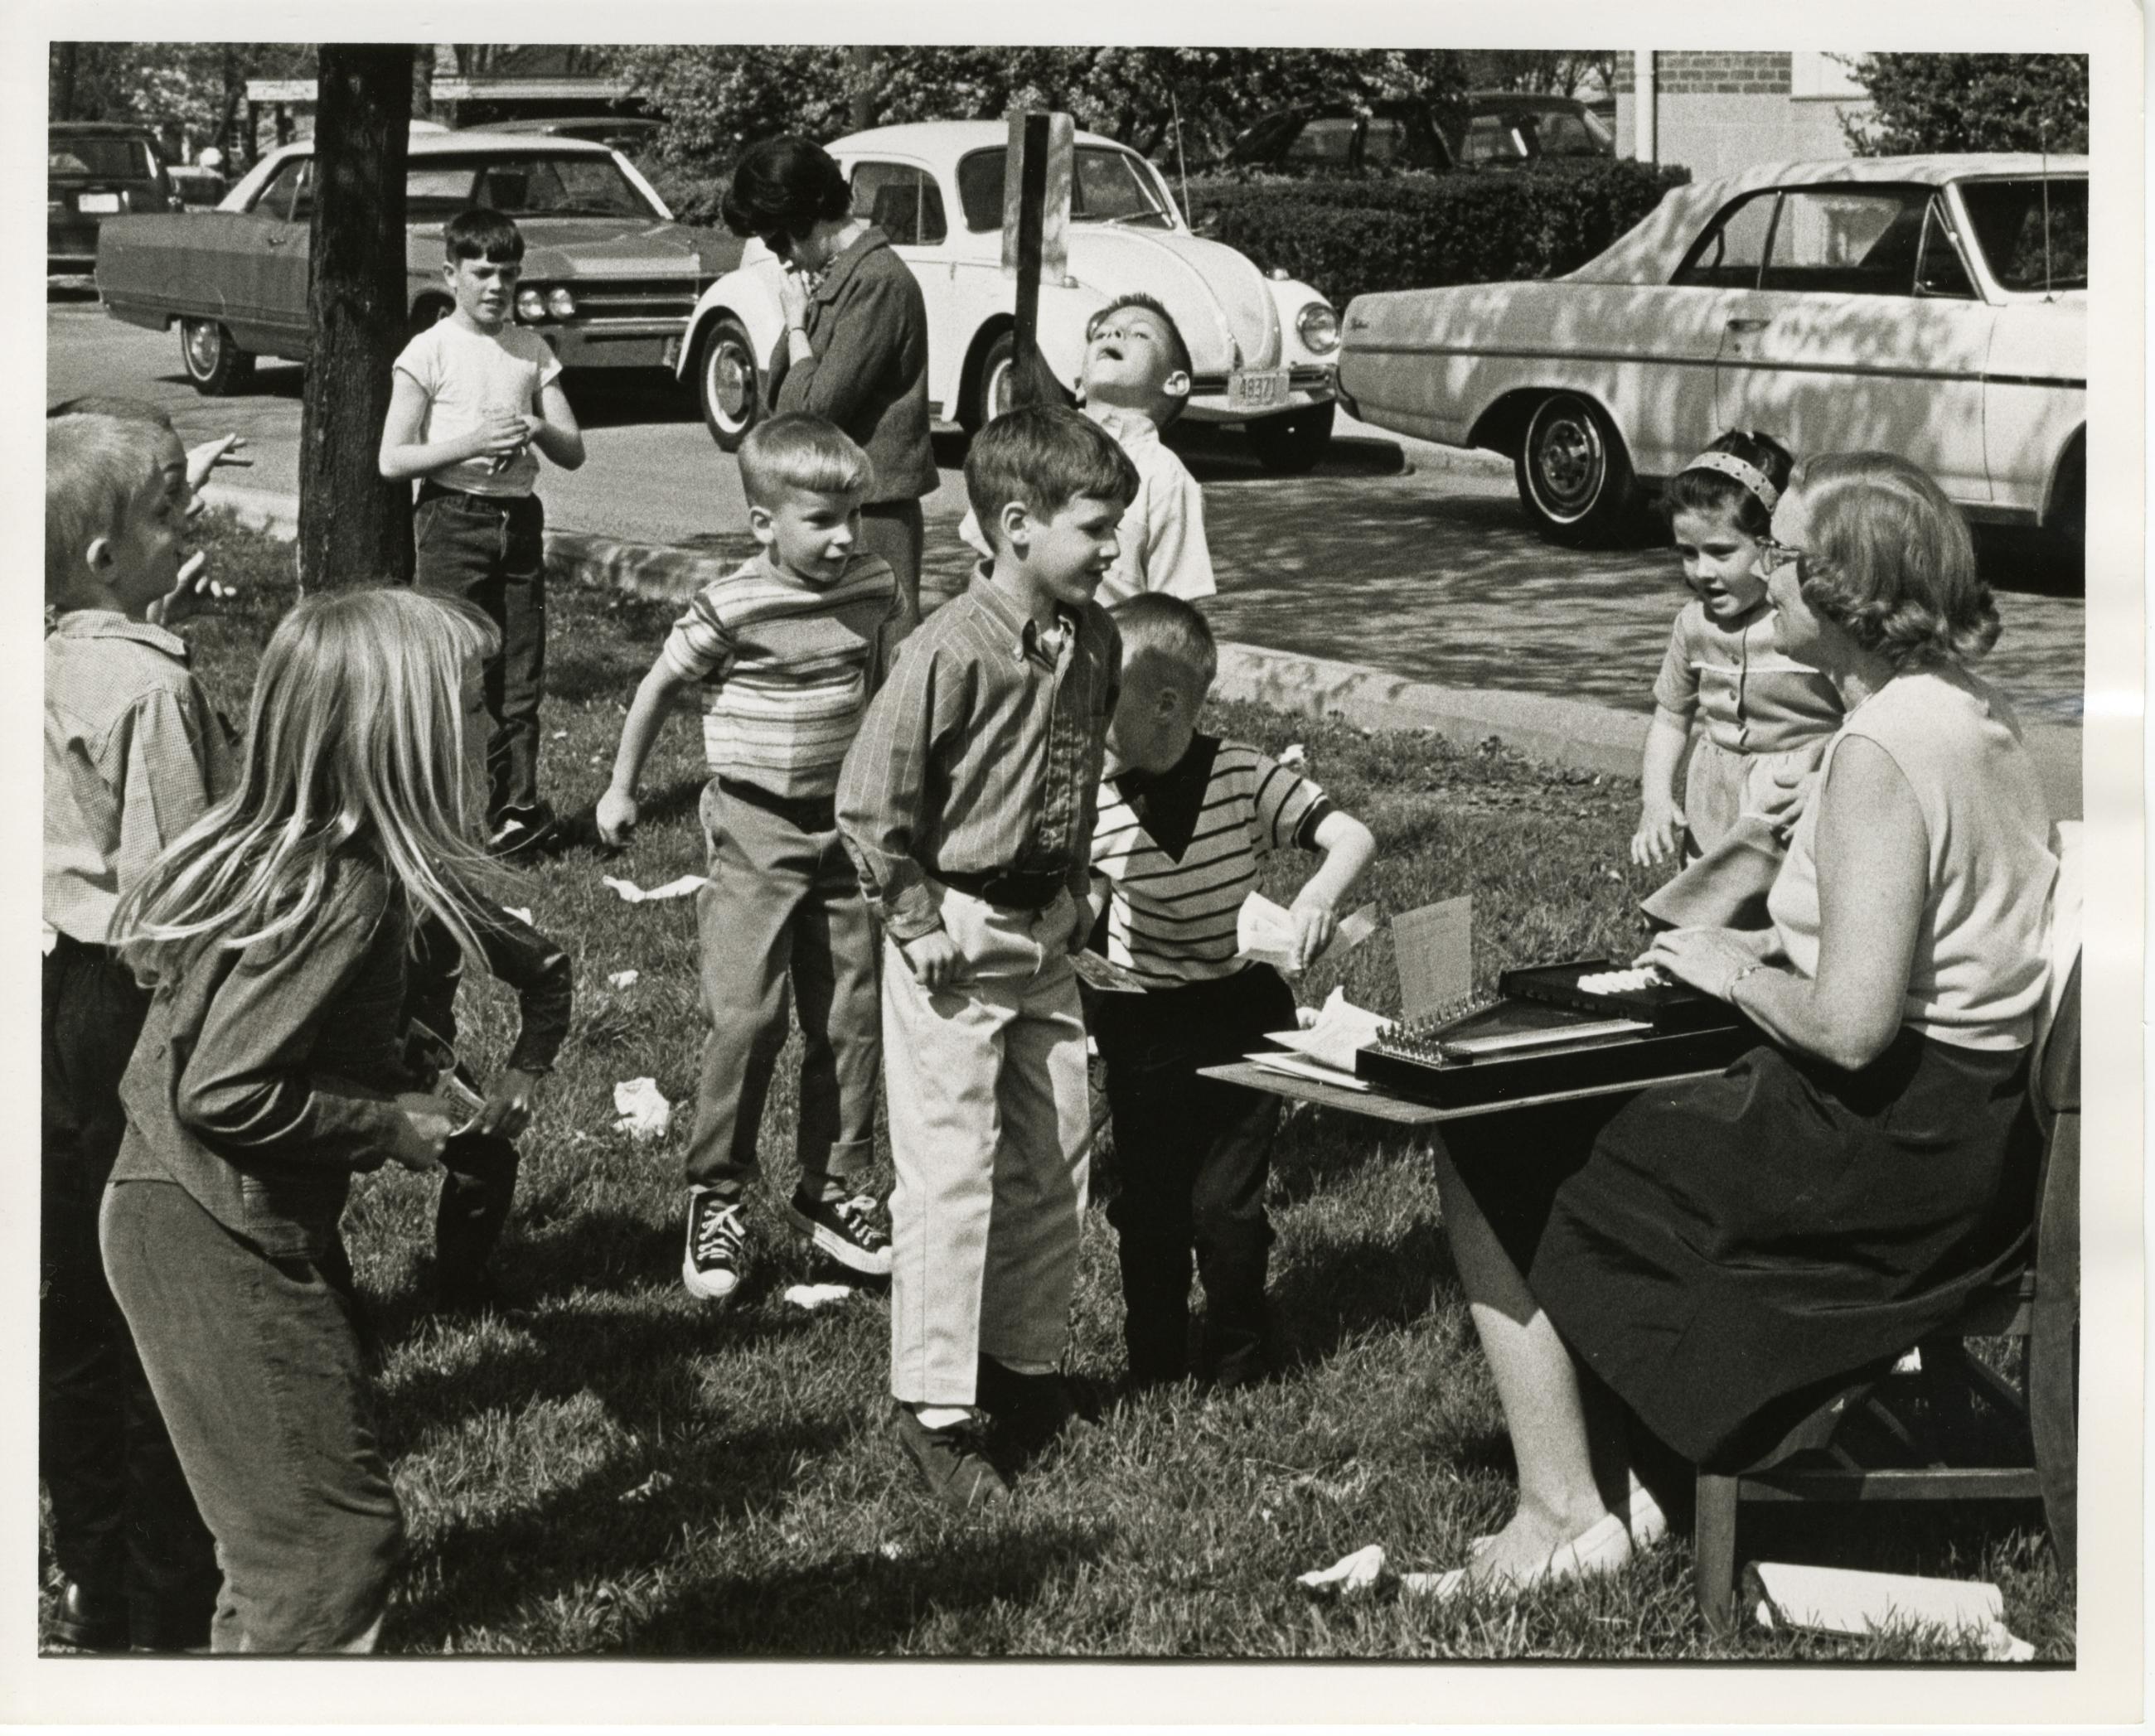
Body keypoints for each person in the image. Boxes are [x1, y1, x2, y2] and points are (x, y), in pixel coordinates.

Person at [1428, 452, 2057, 1596]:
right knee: (1580, 1113)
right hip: (1969, 1127)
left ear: (1842, 586)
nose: (1764, 576)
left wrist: (1731, 968)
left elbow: (1856, 1027)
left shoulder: (1877, 749)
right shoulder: (1966, 709)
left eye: (1782, 554)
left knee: (1487, 1137)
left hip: (1892, 1144)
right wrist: (1780, 946)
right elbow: (1941, 928)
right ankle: (1647, 1478)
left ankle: (1564, 1511)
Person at [101, 589, 504, 1651]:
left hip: (178, 1209)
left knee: (309, 1533)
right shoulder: (347, 888)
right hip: (211, 1228)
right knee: (321, 1551)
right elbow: (227, 1090)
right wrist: (386, 1125)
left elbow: (243, 1031)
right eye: (470, 703)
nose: (491, 726)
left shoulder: (294, 858)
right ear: (400, 735)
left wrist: (391, 1054)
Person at [836, 404, 1137, 1510]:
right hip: (954, 937)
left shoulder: (1094, 638)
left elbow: (1078, 770)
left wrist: (1074, 895)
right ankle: (934, 1405)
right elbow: (870, 804)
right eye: (1096, 529)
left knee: (1055, 1154)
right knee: (951, 1174)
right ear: (1018, 524)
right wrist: (918, 925)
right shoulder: (949, 648)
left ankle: (1021, 1365)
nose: (1112, 551)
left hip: (1044, 931)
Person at [598, 415, 898, 1302]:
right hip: (754, 827)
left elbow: (880, 682)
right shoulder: (732, 602)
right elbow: (658, 685)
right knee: (747, 1016)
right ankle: (717, 1191)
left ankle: (833, 1184)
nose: (845, 536)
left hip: (843, 827)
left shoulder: (873, 584)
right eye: (821, 519)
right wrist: (621, 788)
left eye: (854, 513)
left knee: (850, 1012)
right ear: (763, 523)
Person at [42, 413, 235, 1651]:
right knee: (155, 1293)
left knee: (69, 1294)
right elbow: (176, 895)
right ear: (107, 555)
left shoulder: (50, 656)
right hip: (133, 995)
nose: (196, 522)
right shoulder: (151, 685)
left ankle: (90, 1565)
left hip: (52, 985)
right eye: (173, 508)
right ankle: (164, 1613)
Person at [1087, 595, 1374, 1389]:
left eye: (1100, 699)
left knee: (1228, 1209)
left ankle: (1240, 1359)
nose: (1084, 718)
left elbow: (1352, 834)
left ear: (1167, 705)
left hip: (1241, 1017)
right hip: (1144, 1023)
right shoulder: (1089, 795)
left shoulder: (1243, 773)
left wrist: (1317, 895)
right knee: (1149, 1209)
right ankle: (1151, 1364)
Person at [380, 206, 586, 858]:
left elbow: (573, 447)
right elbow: (391, 459)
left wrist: (535, 427)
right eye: (483, 273)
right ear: (452, 274)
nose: (497, 287)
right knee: (450, 671)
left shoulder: (530, 349)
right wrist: (471, 441)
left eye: (509, 274)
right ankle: (440, 811)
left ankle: (516, 810)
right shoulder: (429, 350)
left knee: (518, 673)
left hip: (517, 521)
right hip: (452, 518)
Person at [724, 136, 937, 637]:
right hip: (827, 507)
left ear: (810, 218)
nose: (780, 257)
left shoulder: (877, 280)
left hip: (872, 512)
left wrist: (797, 326)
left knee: (881, 663)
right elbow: (781, 396)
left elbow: (809, 415)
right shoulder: (834, 278)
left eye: (778, 241)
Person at [1631, 431, 1838, 873]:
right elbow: (1671, 717)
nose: (1702, 571)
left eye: (1721, 552)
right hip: (1715, 798)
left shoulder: (1805, 625)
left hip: (1793, 800)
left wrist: (1826, 784)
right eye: (1688, 553)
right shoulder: (1692, 625)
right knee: (1709, 908)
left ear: (1770, 544)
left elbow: (1860, 715)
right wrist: (1656, 798)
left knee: (1790, 920)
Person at [960, 293, 1215, 608]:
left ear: (1174, 382)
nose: (1112, 334)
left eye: (1139, 333)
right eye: (1100, 332)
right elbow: (983, 556)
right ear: (1079, 382)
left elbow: (1175, 612)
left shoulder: (1166, 477)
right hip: (1011, 642)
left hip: (1110, 651)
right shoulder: (1033, 443)